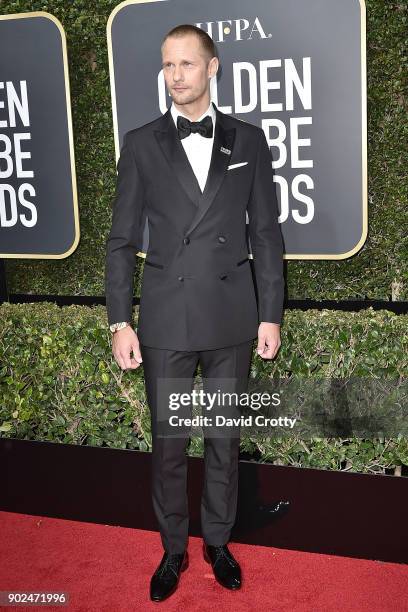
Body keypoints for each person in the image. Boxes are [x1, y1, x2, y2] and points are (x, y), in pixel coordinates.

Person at [105, 23, 284, 602]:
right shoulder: (140, 143)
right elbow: (121, 241)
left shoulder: (249, 141)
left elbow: (267, 234)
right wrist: (119, 320)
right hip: (165, 317)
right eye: (167, 66)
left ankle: (219, 542)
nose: (175, 75)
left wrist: (270, 313)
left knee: (224, 441)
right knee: (169, 443)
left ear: (213, 67)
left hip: (233, 314)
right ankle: (173, 549)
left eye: (186, 64)